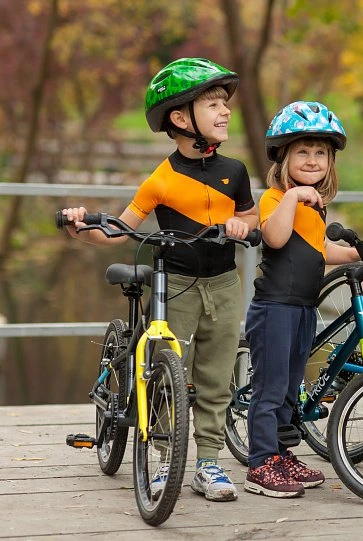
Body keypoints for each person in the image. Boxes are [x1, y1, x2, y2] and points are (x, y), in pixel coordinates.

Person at [60, 58, 258, 502]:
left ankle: (207, 463)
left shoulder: (236, 171)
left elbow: (249, 214)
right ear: (180, 118)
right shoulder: (161, 180)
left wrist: (244, 224)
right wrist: (81, 225)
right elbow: (118, 230)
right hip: (177, 287)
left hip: (225, 285)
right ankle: (167, 459)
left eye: (225, 103)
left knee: (217, 378)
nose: (225, 111)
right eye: (213, 104)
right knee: (166, 377)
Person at [243, 101, 363, 497]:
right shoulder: (274, 198)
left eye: (321, 153)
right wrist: (292, 197)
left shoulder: (315, 207)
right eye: (303, 151)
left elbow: (318, 251)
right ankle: (260, 462)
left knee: (290, 386)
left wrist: (358, 252)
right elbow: (276, 238)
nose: (313, 159)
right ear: (284, 158)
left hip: (303, 307)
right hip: (274, 307)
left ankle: (281, 453)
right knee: (270, 387)